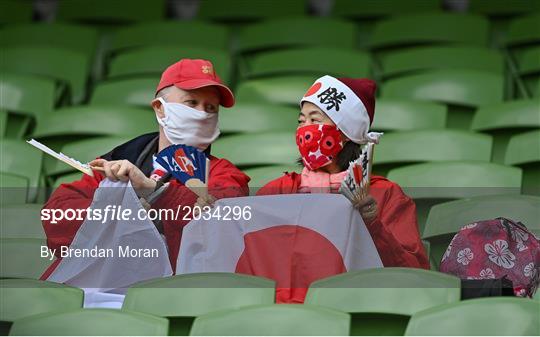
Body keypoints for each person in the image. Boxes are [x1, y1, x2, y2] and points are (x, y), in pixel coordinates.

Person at [41, 59, 250, 278]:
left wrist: (154, 191)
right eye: (192, 102)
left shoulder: (223, 173)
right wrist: (121, 213)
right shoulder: (117, 162)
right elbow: (56, 218)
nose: (202, 114)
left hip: (163, 294)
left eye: (210, 108)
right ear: (160, 109)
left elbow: (222, 218)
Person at [257, 75, 429, 271]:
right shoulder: (279, 190)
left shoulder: (386, 194)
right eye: (301, 120)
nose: (304, 129)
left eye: (314, 120)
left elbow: (413, 271)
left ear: (347, 133)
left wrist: (372, 223)